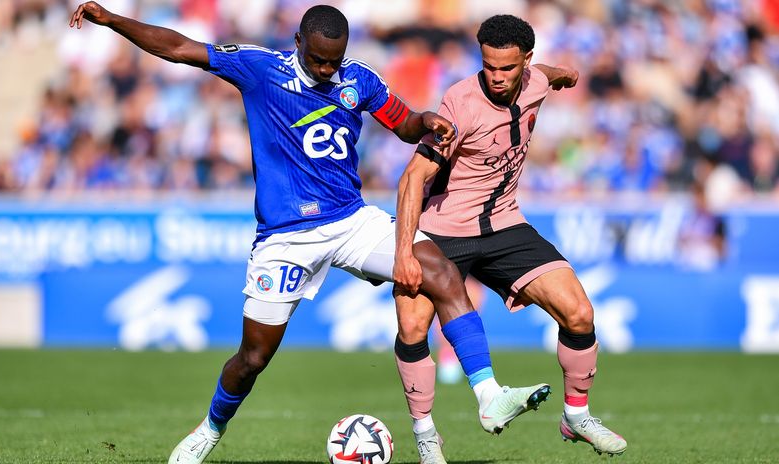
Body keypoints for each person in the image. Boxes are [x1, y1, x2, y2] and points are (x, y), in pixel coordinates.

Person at [69, 4, 548, 464]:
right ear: (298, 42)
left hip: (350, 220)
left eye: (333, 60)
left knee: (442, 272)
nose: (325, 68)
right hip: (285, 238)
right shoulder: (260, 68)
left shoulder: (357, 78)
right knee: (253, 357)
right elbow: (178, 47)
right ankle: (210, 430)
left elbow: (404, 124)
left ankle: (488, 396)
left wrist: (426, 121)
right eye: (317, 58)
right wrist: (110, 19)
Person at [393, 14, 628, 457]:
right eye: (489, 67)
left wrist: (567, 76)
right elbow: (411, 179)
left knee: (579, 312)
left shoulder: (536, 79)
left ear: (526, 61)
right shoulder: (459, 103)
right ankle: (426, 436)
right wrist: (404, 252)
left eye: (508, 68)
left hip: (505, 224)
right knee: (411, 327)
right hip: (443, 230)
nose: (497, 77)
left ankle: (576, 418)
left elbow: (549, 75)